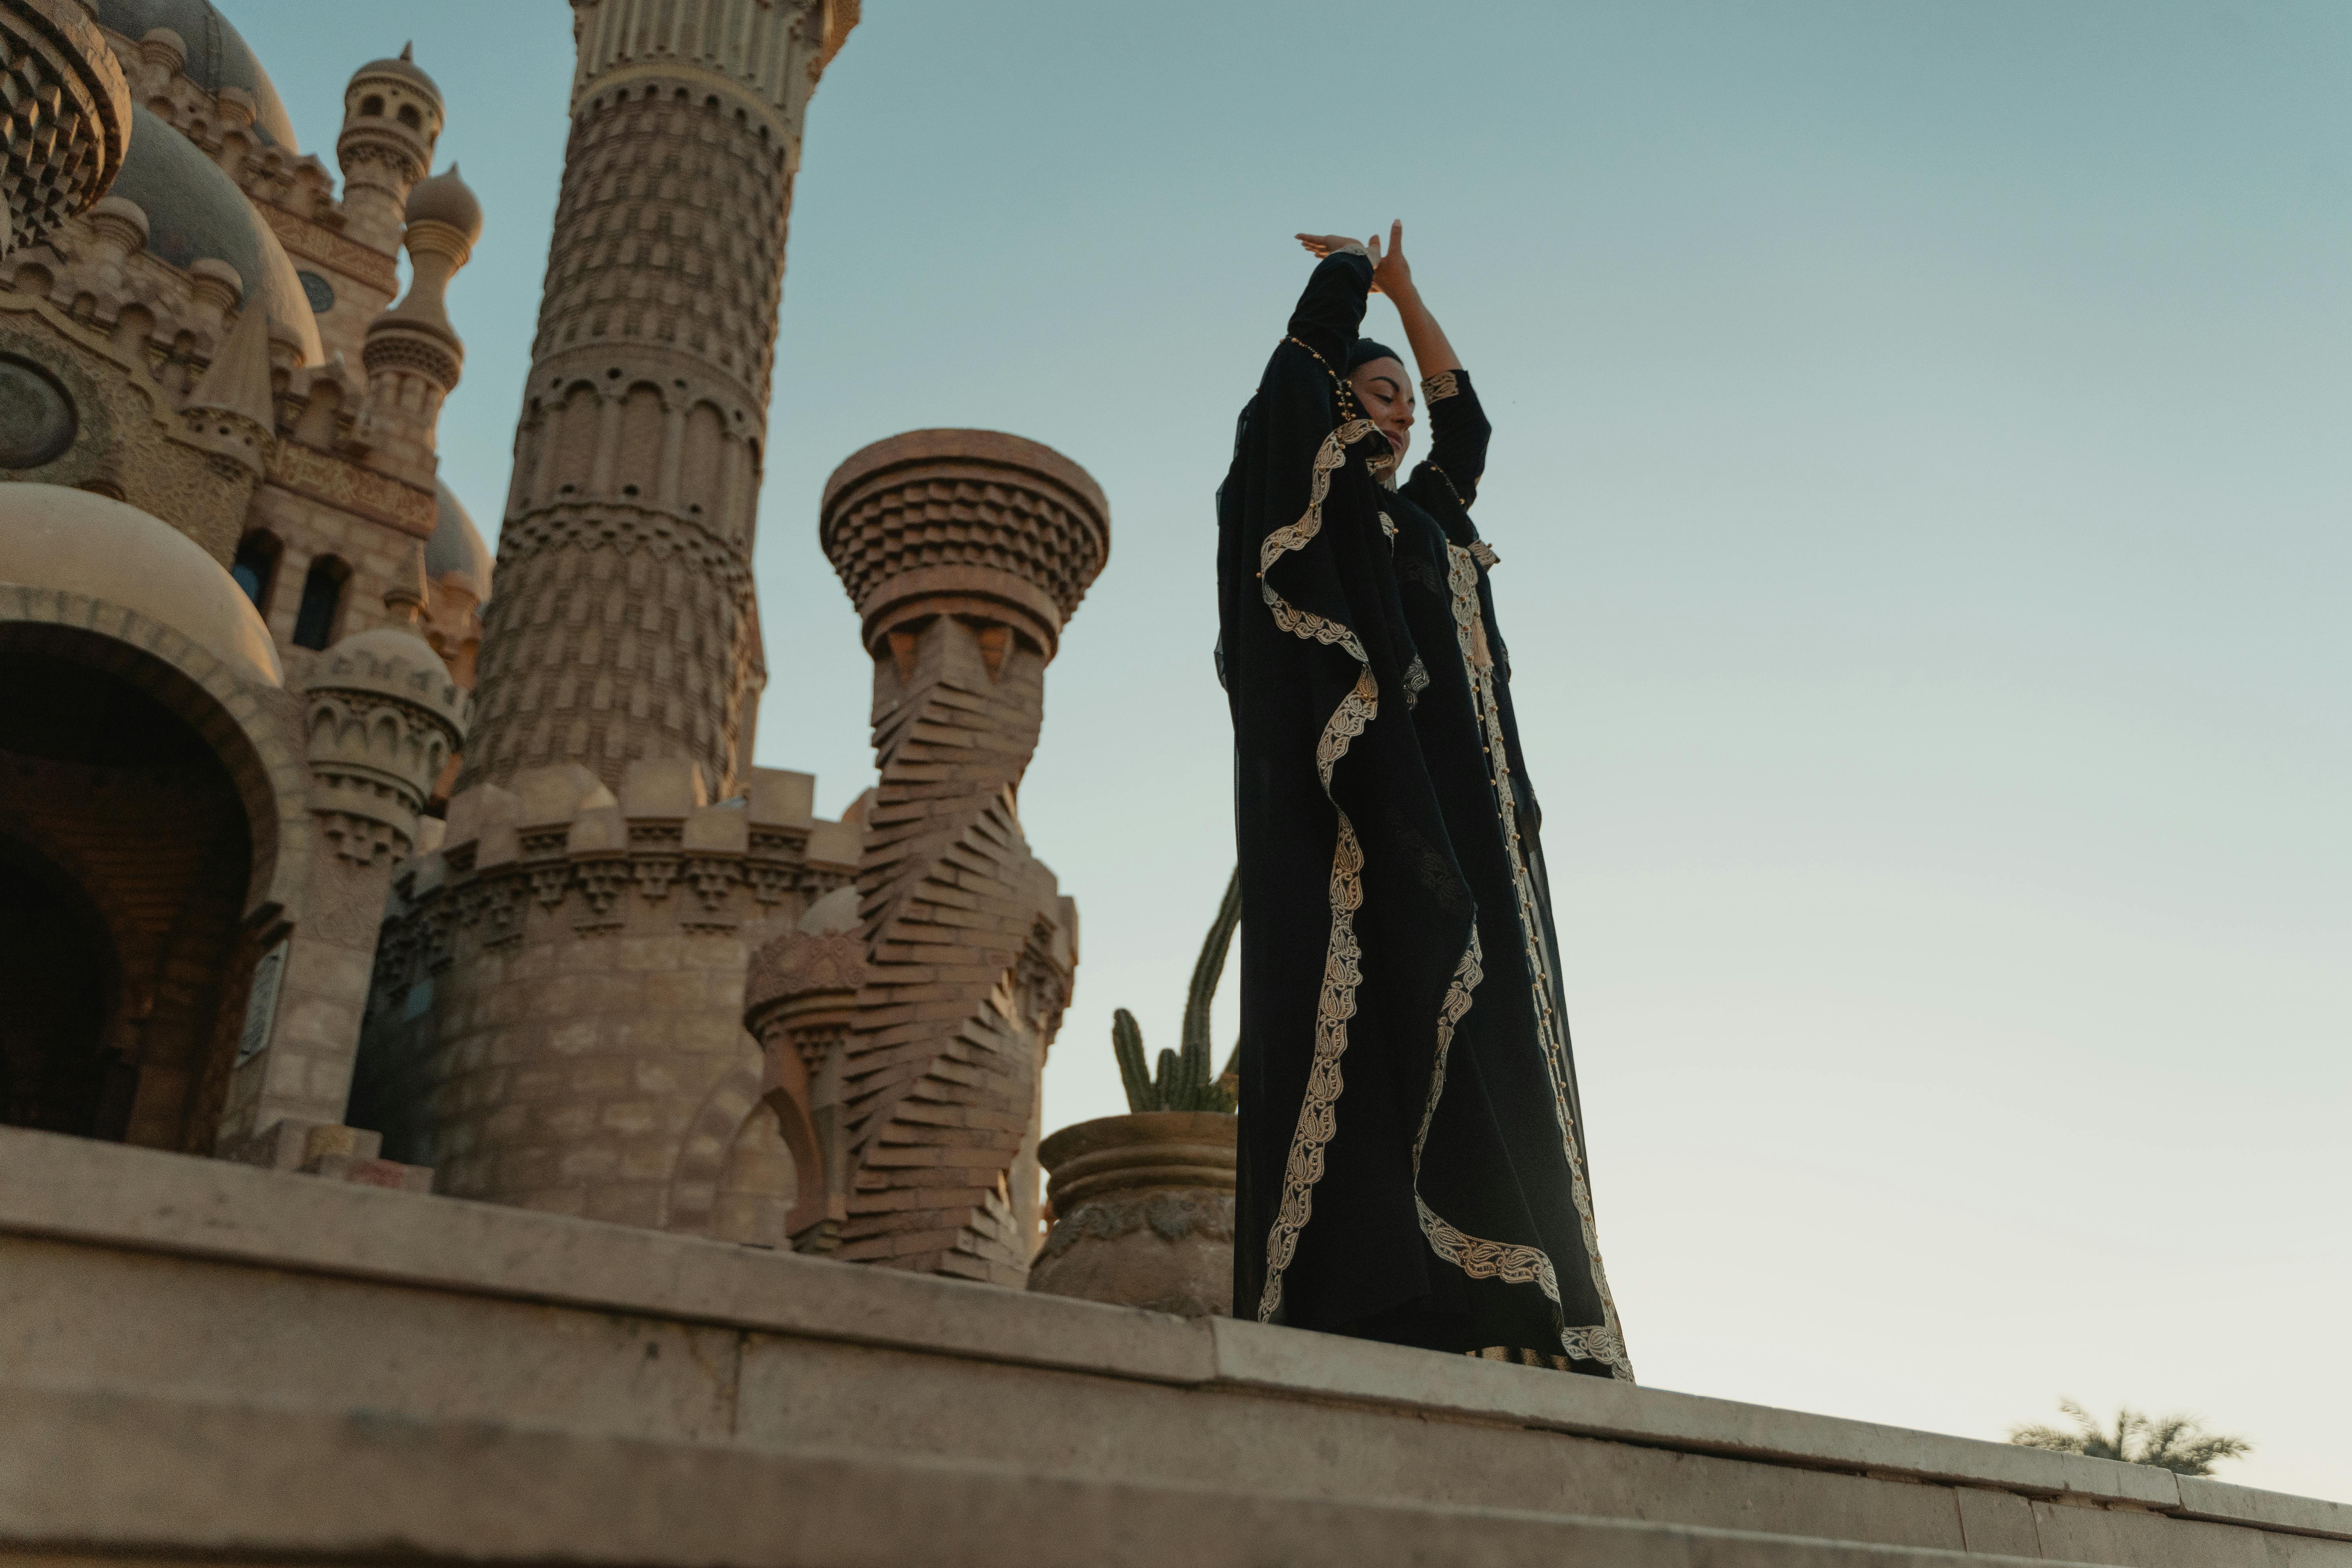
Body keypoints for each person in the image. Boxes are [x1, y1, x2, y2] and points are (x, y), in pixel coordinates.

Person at [1215, 222, 1631, 1377]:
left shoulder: (1433, 518)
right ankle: (1417, 1296)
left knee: (1501, 1026)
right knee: (1407, 999)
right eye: (1378, 393)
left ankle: (1523, 1308)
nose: (1399, 411)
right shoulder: (1333, 509)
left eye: (1404, 397)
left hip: (1489, 820)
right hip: (1393, 809)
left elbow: (1472, 426)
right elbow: (1287, 389)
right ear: (1340, 405)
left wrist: (1408, 295)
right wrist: (1347, 278)